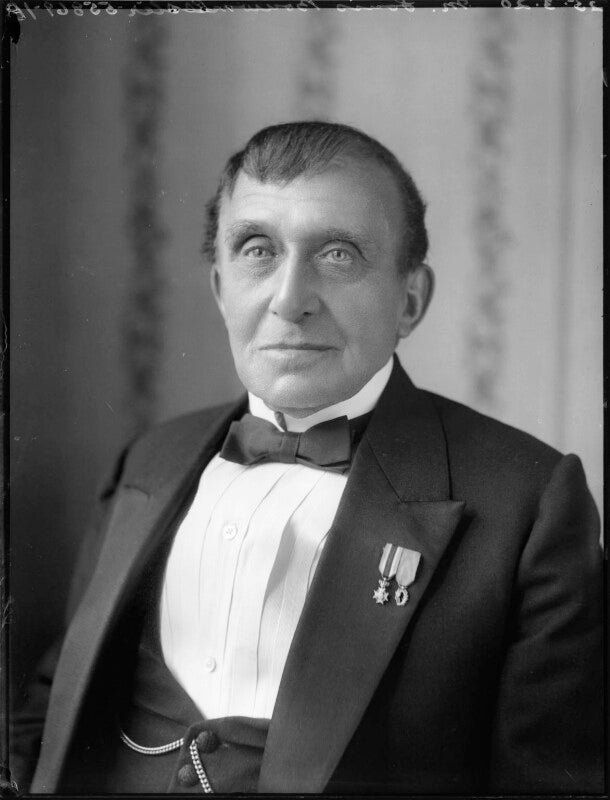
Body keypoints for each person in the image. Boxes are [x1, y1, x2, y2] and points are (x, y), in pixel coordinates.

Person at [11, 121, 603, 795]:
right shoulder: (148, 461)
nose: (289, 301)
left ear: (410, 300)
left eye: (339, 254)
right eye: (257, 250)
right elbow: (51, 712)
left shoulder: (527, 501)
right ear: (220, 288)